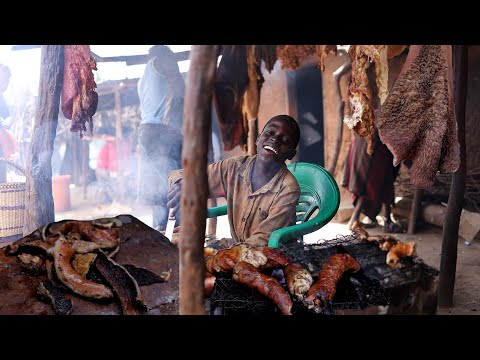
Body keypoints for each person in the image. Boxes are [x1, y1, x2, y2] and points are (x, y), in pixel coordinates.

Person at [167, 114, 301, 248]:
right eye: (270, 132)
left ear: (291, 154)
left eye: (285, 140)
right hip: (238, 247)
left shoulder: (288, 189)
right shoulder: (233, 168)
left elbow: (262, 241)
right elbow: (180, 175)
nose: (275, 139)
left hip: (272, 256)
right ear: (258, 138)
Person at [136, 45, 185, 230]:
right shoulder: (158, 63)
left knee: (158, 186)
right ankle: (180, 231)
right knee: (176, 182)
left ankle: (159, 231)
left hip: (148, 131)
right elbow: (181, 89)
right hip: (161, 132)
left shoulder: (144, 78)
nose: (174, 60)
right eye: (171, 56)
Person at [341, 129, 402, 233]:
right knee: (377, 177)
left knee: (379, 176)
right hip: (373, 140)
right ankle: (356, 219)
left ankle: (362, 218)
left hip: (366, 138)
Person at [96, 127, 136, 204]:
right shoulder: (127, 142)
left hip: (115, 172)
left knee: (103, 177)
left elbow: (102, 163)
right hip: (127, 172)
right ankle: (117, 196)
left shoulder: (109, 144)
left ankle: (109, 197)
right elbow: (134, 153)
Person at [0, 64, 18, 182]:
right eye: (4, 81)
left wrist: (8, 121)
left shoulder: (2, 98)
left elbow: (8, 117)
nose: (5, 85)